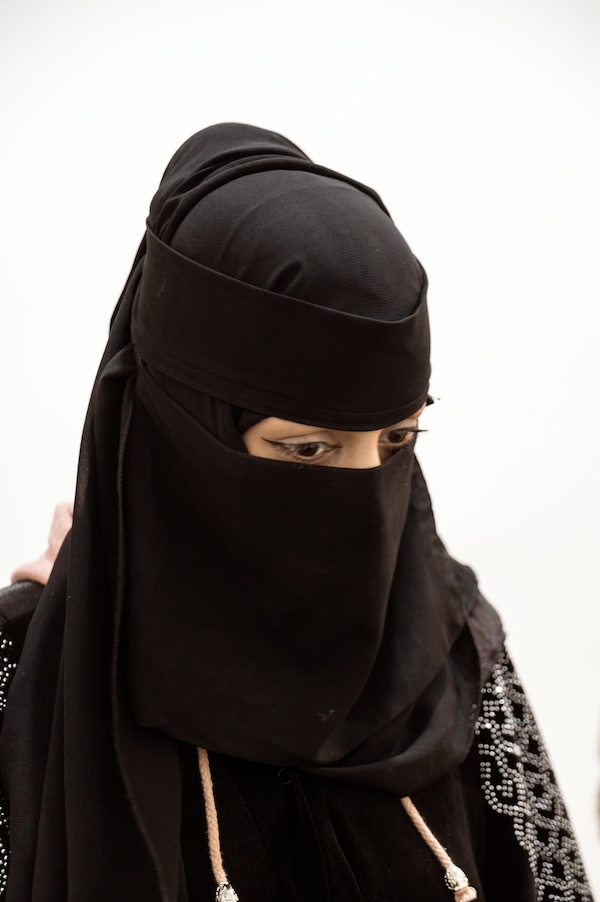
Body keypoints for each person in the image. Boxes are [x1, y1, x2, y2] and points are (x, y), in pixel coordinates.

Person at [0, 123, 592, 902]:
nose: (362, 499)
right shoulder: (27, 679)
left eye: (397, 440)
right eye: (308, 450)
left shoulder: (451, 658)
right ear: (183, 436)